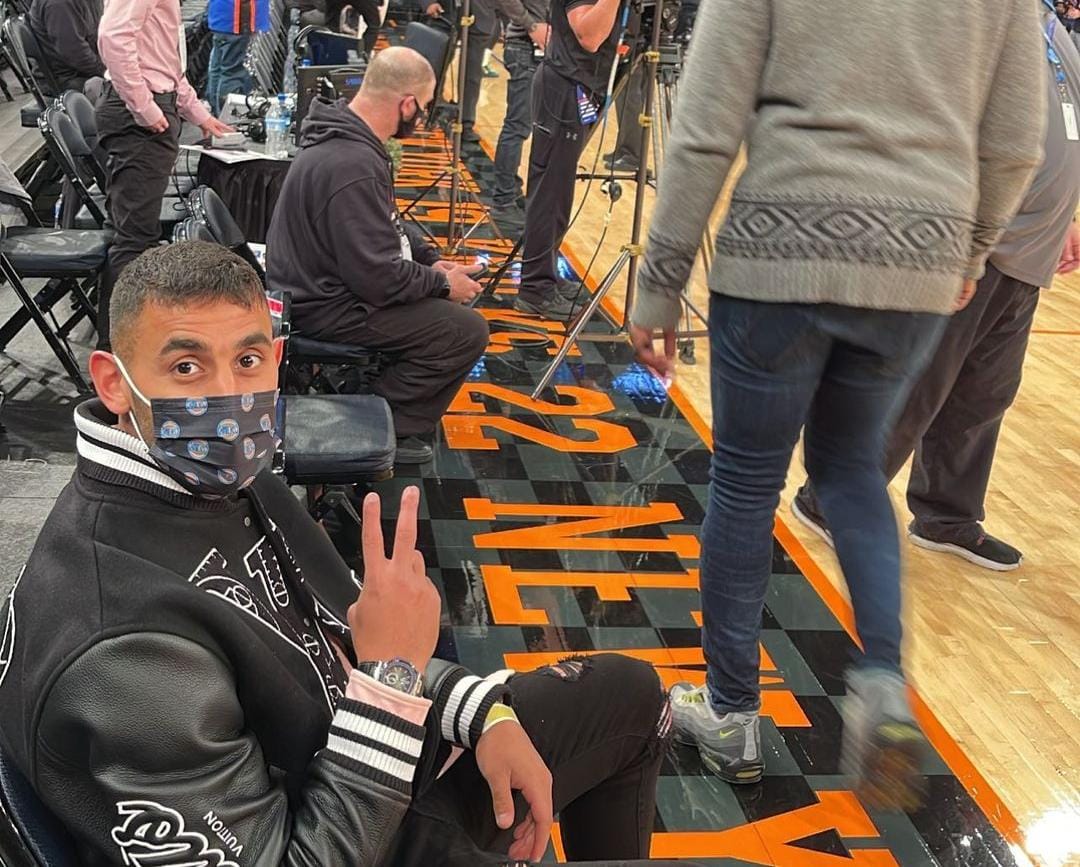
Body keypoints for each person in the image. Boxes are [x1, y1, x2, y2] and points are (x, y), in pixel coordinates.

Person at [0, 240, 670, 866]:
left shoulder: (221, 478)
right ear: (113, 382)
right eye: (186, 367)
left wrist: (479, 711)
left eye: (248, 360)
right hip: (346, 828)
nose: (228, 397)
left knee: (634, 696)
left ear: (276, 356)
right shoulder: (121, 647)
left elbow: (347, 640)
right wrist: (393, 680)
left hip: (355, 767)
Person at [629, 0, 1045, 807]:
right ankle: (882, 678)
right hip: (919, 265)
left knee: (746, 481)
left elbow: (707, 122)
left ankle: (731, 713)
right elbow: (1016, 139)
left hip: (780, 246)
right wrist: (969, 251)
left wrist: (662, 279)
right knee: (852, 469)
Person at [792, 3, 1080, 574]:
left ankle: (947, 516)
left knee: (984, 392)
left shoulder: (1048, 23)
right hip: (967, 240)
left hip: (1028, 250)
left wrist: (1066, 214)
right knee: (915, 384)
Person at [266, 47, 488, 466]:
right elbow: (378, 280)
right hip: (323, 307)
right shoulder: (353, 164)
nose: (422, 118)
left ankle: (373, 399)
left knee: (443, 308)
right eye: (424, 107)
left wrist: (429, 261)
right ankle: (375, 423)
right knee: (465, 331)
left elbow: (385, 225)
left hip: (317, 288)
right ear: (407, 104)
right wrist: (443, 284)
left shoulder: (348, 139)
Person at [95, 0, 234, 350]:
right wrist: (143, 106)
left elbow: (166, 62)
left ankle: (120, 345)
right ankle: (118, 350)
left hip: (151, 109)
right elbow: (113, 37)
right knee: (134, 240)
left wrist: (197, 113)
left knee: (130, 235)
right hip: (138, 119)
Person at [515, 0, 623, 319]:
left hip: (582, 88)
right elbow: (589, 36)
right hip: (565, 89)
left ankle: (545, 273)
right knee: (550, 194)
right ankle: (535, 289)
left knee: (559, 193)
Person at [489, 0, 550, 231]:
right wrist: (531, 25)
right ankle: (502, 201)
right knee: (517, 127)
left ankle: (511, 190)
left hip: (542, 50)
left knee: (529, 127)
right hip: (525, 47)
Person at [422, 0, 498, 142]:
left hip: (481, 14)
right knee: (436, 66)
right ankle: (431, 111)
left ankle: (465, 122)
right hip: (444, 11)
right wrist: (428, 3)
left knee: (473, 75)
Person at [26, 0, 105, 96]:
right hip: (70, 78)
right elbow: (75, 53)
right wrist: (107, 71)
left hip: (86, 69)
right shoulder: (59, 4)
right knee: (118, 91)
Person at [206, 0, 270, 115]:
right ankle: (227, 116)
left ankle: (216, 113)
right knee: (233, 73)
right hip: (238, 20)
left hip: (222, 18)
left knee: (218, 69)